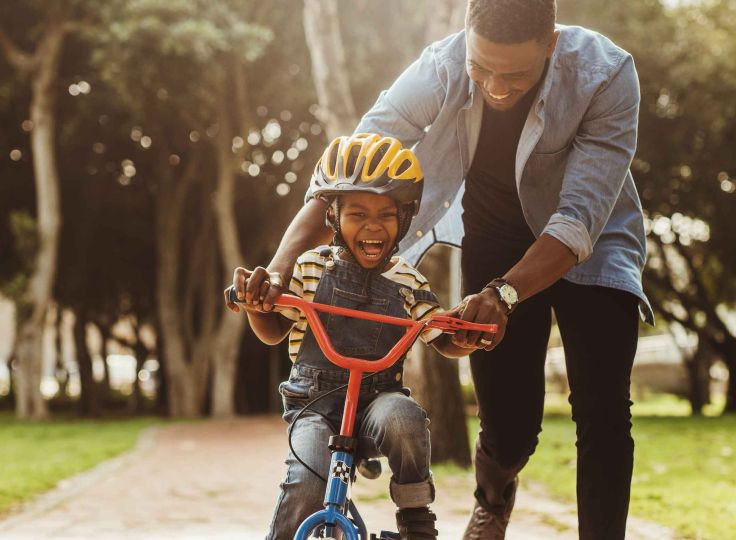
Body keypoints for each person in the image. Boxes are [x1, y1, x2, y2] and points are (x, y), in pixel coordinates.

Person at [227, 0, 654, 538]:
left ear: (552, 44)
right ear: (466, 39)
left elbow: (576, 221)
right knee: (511, 426)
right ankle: (494, 499)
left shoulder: (607, 74)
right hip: (497, 236)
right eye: (483, 70)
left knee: (603, 408)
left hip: (592, 240)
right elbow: (355, 165)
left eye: (515, 75)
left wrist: (504, 295)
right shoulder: (440, 66)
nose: (496, 89)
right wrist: (282, 267)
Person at [228, 134, 479, 539]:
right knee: (308, 481)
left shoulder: (408, 281)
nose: (373, 226)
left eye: (386, 214)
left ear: (406, 217)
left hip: (377, 404)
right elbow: (274, 331)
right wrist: (258, 307)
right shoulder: (311, 267)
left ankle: (416, 520)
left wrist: (462, 337)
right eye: (357, 213)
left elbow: (439, 334)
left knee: (405, 418)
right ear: (333, 217)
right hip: (315, 405)